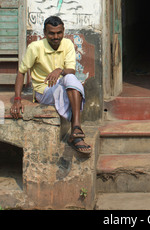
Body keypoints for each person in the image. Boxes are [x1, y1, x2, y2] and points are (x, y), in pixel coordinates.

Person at [10, 16, 91, 156]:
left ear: (63, 31)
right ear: (45, 33)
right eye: (51, 33)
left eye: (59, 33)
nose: (55, 37)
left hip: (62, 84)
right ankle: (77, 138)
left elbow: (71, 71)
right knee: (70, 91)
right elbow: (21, 72)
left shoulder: (68, 44)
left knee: (72, 79)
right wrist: (17, 99)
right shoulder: (35, 47)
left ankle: (77, 127)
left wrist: (59, 70)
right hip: (44, 91)